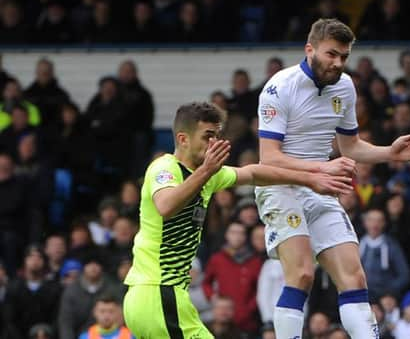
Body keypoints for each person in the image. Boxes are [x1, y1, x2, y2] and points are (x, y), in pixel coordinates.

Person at [256, 18, 410, 339]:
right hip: (280, 186)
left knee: (354, 278)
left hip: (320, 186)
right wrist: (321, 168)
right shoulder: (279, 87)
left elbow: (349, 146)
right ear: (309, 49)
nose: (337, 63)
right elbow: (269, 158)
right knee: (302, 274)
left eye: (344, 56)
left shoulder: (345, 86)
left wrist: (389, 154)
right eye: (331, 54)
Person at [122, 101, 353, 338]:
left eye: (217, 136)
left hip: (158, 298)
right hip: (157, 293)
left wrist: (312, 177)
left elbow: (253, 173)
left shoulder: (208, 175)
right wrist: (206, 171)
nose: (214, 143)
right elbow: (166, 205)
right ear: (183, 139)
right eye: (207, 136)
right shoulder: (165, 168)